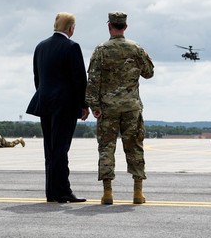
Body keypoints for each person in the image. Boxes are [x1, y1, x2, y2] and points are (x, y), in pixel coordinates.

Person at [86, 12, 154, 205]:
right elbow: (149, 73)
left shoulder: (101, 50)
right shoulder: (136, 49)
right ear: (125, 26)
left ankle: (108, 193)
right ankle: (137, 193)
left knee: (107, 148)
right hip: (131, 107)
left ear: (109, 26)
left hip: (107, 108)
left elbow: (93, 81)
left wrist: (94, 106)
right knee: (134, 147)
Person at [26, 12, 90, 203]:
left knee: (50, 148)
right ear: (70, 28)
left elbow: (37, 77)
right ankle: (63, 191)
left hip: (44, 103)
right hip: (64, 105)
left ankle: (51, 192)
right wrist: (83, 105)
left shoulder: (40, 46)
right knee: (61, 148)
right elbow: (79, 79)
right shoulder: (72, 47)